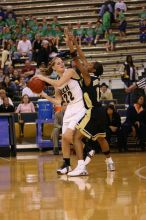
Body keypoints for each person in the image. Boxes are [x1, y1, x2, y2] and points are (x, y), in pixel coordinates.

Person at [64, 30, 115, 176]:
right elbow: (83, 57)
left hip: (92, 111)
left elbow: (76, 60)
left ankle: (81, 167)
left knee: (76, 137)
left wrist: (69, 45)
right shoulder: (94, 77)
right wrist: (76, 43)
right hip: (101, 112)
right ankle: (109, 162)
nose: (88, 63)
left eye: (90, 64)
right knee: (101, 138)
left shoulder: (87, 76)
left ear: (93, 69)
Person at [37, 56, 86, 175]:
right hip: (69, 109)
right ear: (53, 67)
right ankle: (67, 165)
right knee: (64, 138)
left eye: (61, 62)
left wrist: (42, 78)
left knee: (70, 136)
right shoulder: (57, 83)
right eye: (58, 63)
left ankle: (83, 164)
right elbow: (59, 102)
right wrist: (44, 95)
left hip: (80, 106)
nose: (61, 64)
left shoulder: (70, 72)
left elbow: (59, 82)